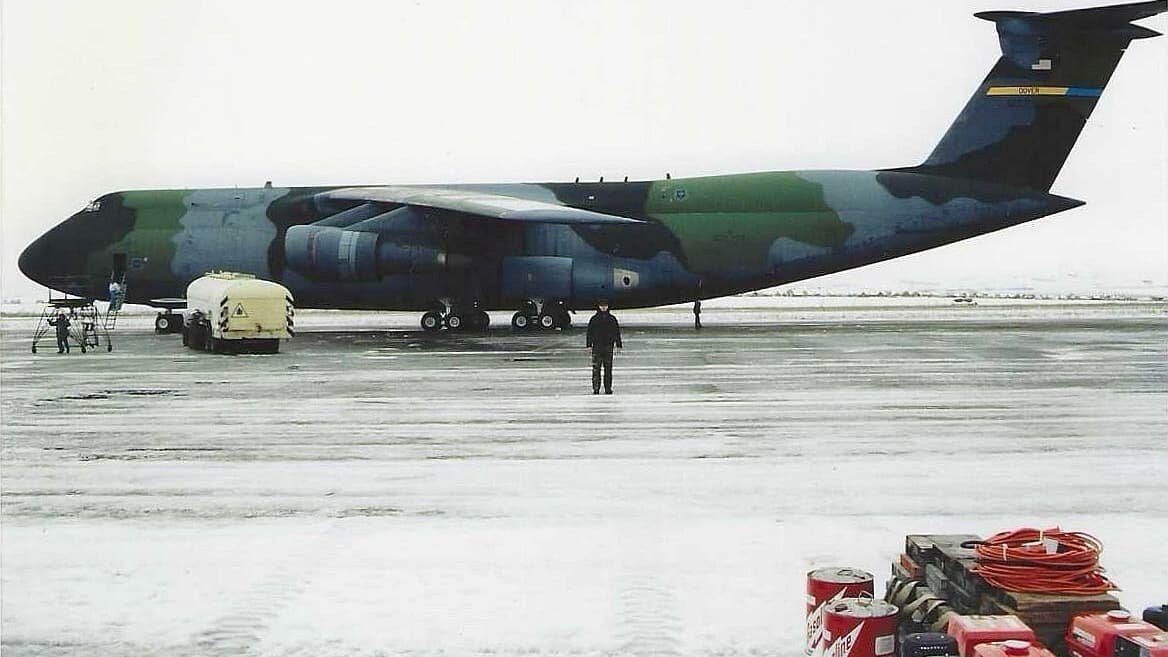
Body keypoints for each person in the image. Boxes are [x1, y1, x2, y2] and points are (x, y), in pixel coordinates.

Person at [586, 299, 622, 394]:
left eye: (605, 306)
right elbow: (589, 333)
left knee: (608, 369)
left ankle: (608, 388)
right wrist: (589, 345)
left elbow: (616, 332)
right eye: (602, 306)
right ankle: (596, 388)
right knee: (596, 369)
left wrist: (619, 345)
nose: (603, 307)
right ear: (599, 306)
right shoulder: (594, 319)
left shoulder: (612, 319)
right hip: (597, 347)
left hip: (608, 346)